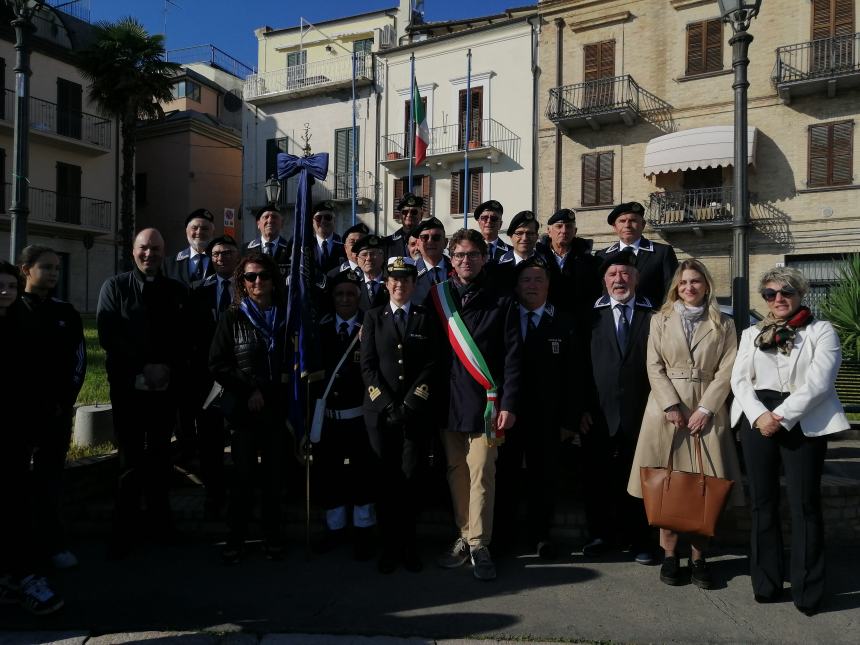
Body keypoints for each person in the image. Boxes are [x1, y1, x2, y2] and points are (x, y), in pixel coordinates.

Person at [731, 266, 849, 616]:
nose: (778, 299)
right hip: (757, 419)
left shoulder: (821, 330)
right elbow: (740, 380)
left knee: (805, 505)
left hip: (802, 420)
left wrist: (780, 417)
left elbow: (820, 382)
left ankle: (808, 589)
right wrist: (759, 416)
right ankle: (766, 584)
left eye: (786, 292)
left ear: (799, 294)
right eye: (770, 293)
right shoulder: (752, 332)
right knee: (762, 504)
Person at [627, 259, 743, 589]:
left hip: (707, 411)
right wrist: (671, 405)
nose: (689, 287)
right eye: (683, 283)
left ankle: (699, 558)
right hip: (666, 412)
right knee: (667, 485)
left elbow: (728, 370)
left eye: (695, 281)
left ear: (706, 285)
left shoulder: (724, 323)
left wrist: (706, 408)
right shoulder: (660, 319)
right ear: (676, 287)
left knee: (703, 488)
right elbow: (654, 366)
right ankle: (669, 556)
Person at [97, 228, 190, 557]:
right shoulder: (115, 287)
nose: (149, 254)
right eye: (143, 248)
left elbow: (184, 338)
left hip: (165, 390)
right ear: (134, 251)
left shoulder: (176, 291)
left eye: (155, 249)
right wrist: (143, 368)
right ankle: (124, 530)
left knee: (161, 456)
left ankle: (161, 525)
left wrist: (165, 368)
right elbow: (109, 334)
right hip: (129, 389)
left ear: (164, 252)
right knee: (130, 460)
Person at [435, 229, 521, 581]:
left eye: (472, 255)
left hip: (486, 404)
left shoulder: (502, 300)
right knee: (457, 474)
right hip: (446, 403)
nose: (465, 261)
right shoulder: (437, 297)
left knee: (483, 473)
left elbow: (514, 357)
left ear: (484, 258)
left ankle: (480, 544)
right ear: (450, 260)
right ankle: (465, 534)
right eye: (459, 255)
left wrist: (509, 402)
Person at [361, 257, 442, 574]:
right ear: (386, 284)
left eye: (406, 280)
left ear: (414, 284)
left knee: (410, 480)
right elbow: (367, 367)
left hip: (413, 414)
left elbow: (432, 365)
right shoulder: (372, 317)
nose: (400, 285)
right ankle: (389, 547)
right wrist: (387, 406)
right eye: (394, 280)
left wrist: (409, 405)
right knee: (385, 482)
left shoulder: (425, 318)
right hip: (381, 416)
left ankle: (409, 546)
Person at [209, 252, 291, 564]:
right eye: (251, 277)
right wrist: (249, 389)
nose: (258, 281)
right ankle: (237, 536)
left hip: (276, 408)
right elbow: (217, 363)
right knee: (243, 477)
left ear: (273, 280)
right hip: (244, 410)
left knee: (273, 478)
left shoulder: (284, 316)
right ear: (242, 282)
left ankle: (272, 536)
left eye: (264, 276)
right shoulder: (232, 317)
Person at [495, 256, 577, 559]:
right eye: (526, 280)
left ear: (548, 285)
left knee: (544, 478)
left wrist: (569, 419)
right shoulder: (504, 318)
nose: (532, 285)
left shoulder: (565, 321)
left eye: (538, 279)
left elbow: (574, 375)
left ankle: (541, 535)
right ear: (516, 286)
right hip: (509, 414)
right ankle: (502, 536)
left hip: (548, 417)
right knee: (506, 475)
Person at [580, 249, 655, 564]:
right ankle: (600, 536)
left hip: (641, 414)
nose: (619, 279)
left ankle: (639, 540)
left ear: (636, 279)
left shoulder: (653, 316)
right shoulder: (589, 316)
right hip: (597, 413)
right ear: (604, 281)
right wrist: (580, 408)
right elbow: (578, 366)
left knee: (639, 480)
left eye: (625, 274)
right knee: (597, 480)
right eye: (612, 275)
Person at [0, 261, 64, 615]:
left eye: (11, 286)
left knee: (15, 503)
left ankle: (21, 575)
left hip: (15, 432)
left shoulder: (21, 326)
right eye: (0, 286)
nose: (6, 292)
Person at [18, 245, 86, 570]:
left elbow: (79, 360)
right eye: (46, 267)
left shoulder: (65, 313)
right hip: (17, 415)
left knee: (50, 480)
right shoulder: (13, 310)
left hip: (56, 413)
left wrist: (65, 401)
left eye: (57, 268)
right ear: (26, 270)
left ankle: (52, 543)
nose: (53, 274)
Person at [313, 270, 378, 561]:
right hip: (329, 418)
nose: (345, 299)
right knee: (330, 475)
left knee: (364, 476)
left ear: (359, 297)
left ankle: (364, 531)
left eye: (351, 294)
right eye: (339, 294)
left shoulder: (371, 326)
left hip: (360, 418)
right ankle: (335, 529)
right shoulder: (320, 328)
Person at [188, 235, 241, 518]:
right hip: (206, 378)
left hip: (241, 376)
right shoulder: (197, 290)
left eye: (228, 253)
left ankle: (240, 495)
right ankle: (214, 493)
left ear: (237, 256)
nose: (222, 258)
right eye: (217, 254)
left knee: (240, 438)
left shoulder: (248, 288)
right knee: (209, 441)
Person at [595, 201, 678, 308]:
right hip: (613, 319)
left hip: (651, 319)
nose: (627, 225)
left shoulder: (661, 253)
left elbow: (672, 289)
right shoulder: (602, 256)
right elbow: (597, 292)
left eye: (633, 220)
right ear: (615, 227)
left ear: (642, 225)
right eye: (622, 221)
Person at [537, 208, 601, 327]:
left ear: (575, 231)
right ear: (549, 231)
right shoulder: (537, 258)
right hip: (544, 324)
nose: (564, 231)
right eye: (559, 226)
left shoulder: (589, 261)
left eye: (569, 226)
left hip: (578, 326)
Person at [164, 208, 216, 288]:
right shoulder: (169, 264)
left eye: (205, 229)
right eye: (194, 228)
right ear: (186, 231)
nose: (199, 232)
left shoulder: (220, 262)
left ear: (212, 232)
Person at [410, 217, 450, 305]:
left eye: (436, 237)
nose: (430, 241)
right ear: (418, 244)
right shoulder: (409, 273)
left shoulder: (457, 269)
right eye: (424, 237)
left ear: (445, 242)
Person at [244, 206, 290, 277]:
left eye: (274, 217)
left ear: (282, 224)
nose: (270, 220)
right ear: (258, 224)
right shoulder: (246, 249)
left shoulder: (291, 250)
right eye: (266, 217)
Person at [354, 235, 389, 311]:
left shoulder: (391, 282)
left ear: (382, 257)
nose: (369, 258)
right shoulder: (354, 284)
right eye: (364, 255)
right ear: (357, 260)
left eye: (373, 254)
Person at [311, 201, 347, 274]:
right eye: (318, 218)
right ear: (313, 222)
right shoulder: (305, 245)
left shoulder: (344, 245)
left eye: (328, 217)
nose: (323, 221)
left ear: (334, 221)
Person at [384, 193, 424, 259]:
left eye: (414, 212)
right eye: (405, 212)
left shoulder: (429, 240)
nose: (409, 215)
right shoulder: (387, 243)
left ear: (421, 215)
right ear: (400, 215)